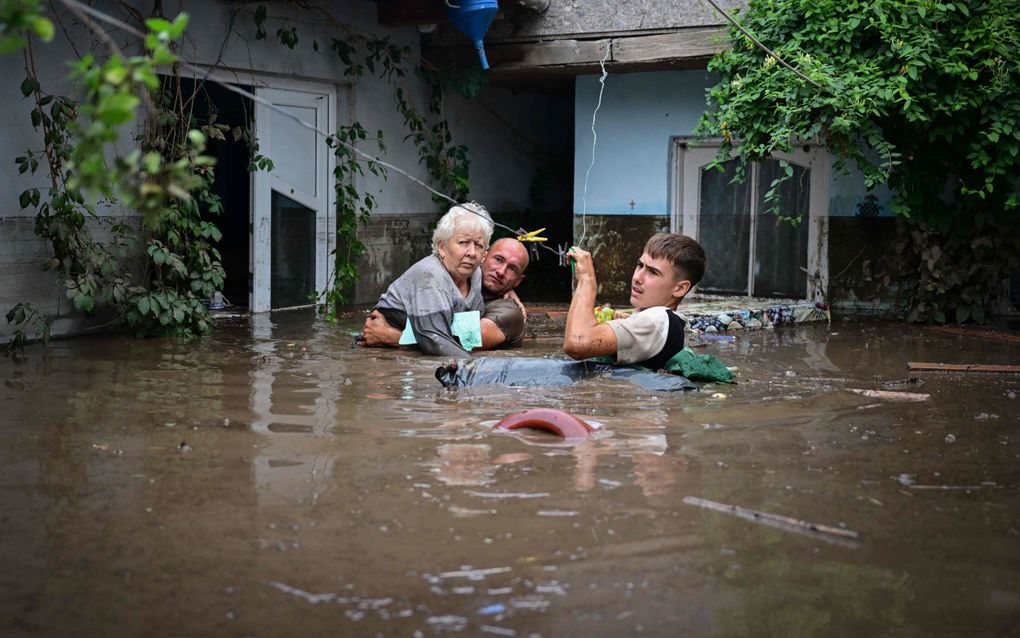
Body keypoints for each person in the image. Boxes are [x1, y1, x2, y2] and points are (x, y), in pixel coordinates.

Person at [361, 203, 493, 358]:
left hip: (406, 347)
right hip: (380, 356)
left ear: (484, 254)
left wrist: (395, 338)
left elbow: (460, 337)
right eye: (463, 242)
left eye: (478, 245)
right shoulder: (430, 274)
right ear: (442, 247)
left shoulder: (476, 274)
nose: (471, 253)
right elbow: (435, 341)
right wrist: (479, 370)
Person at [562, 233, 706, 370]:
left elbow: (577, 343)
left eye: (653, 272)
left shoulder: (657, 319)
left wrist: (586, 279)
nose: (638, 277)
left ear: (680, 288)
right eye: (640, 265)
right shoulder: (669, 322)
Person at [361, 237, 530, 351]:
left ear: (518, 281)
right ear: (483, 256)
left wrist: (391, 337)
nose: (501, 271)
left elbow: (464, 341)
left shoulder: (510, 312)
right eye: (498, 260)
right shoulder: (459, 281)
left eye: (512, 269)